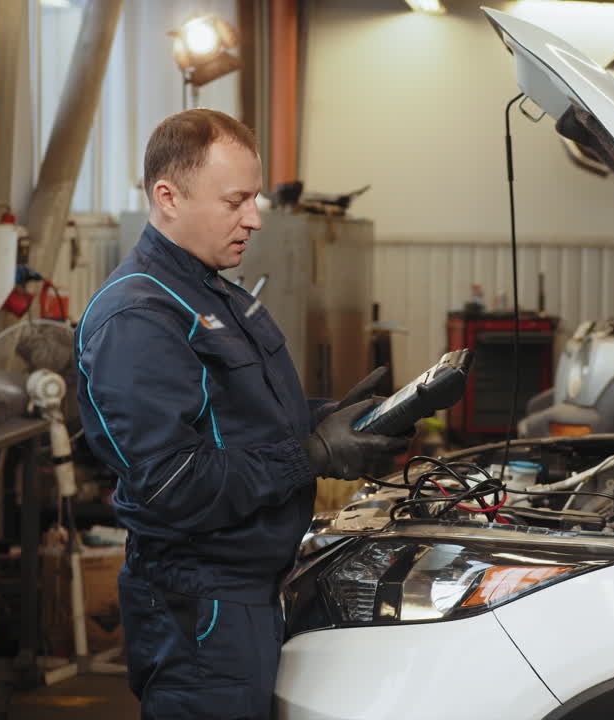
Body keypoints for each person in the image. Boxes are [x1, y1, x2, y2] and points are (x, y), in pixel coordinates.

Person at [75, 108, 407, 719]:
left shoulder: (213, 291)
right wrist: (313, 454)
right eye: (235, 201)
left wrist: (336, 418)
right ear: (167, 197)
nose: (253, 219)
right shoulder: (139, 319)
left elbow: (244, 419)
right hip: (200, 610)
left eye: (254, 199)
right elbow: (173, 483)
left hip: (250, 593)